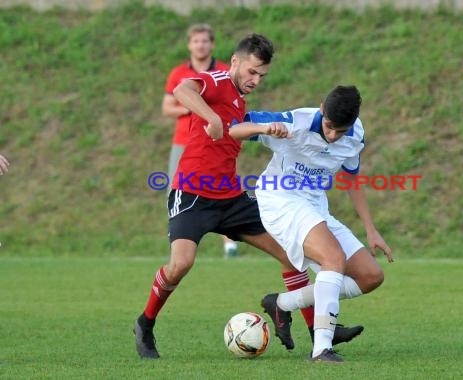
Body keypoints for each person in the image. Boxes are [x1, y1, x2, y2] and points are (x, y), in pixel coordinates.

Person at [134, 35, 362, 359]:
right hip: (192, 193)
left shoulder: (241, 101)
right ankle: (145, 323)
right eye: (252, 72)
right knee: (180, 265)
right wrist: (211, 118)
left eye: (262, 76)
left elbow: (247, 129)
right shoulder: (217, 81)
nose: (255, 81)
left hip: (231, 196)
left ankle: (319, 331)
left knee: (289, 253)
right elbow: (182, 90)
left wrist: (267, 129)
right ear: (235, 61)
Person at [229, 85, 394, 363]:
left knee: (370, 276)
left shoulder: (355, 135)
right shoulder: (295, 122)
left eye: (339, 131)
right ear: (321, 109)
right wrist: (266, 129)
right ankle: (321, 349)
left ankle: (281, 304)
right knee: (333, 258)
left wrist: (371, 229)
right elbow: (235, 127)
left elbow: (352, 178)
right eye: (329, 127)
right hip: (280, 200)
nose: (332, 136)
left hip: (315, 207)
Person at [161, 23, 238, 258]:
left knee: (223, 188)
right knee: (177, 187)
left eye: (205, 41)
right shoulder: (178, 74)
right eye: (196, 41)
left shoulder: (224, 71)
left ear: (212, 44)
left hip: (215, 140)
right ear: (189, 45)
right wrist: (193, 108)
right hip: (184, 141)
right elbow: (167, 107)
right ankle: (180, 239)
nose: (200, 45)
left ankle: (230, 245)